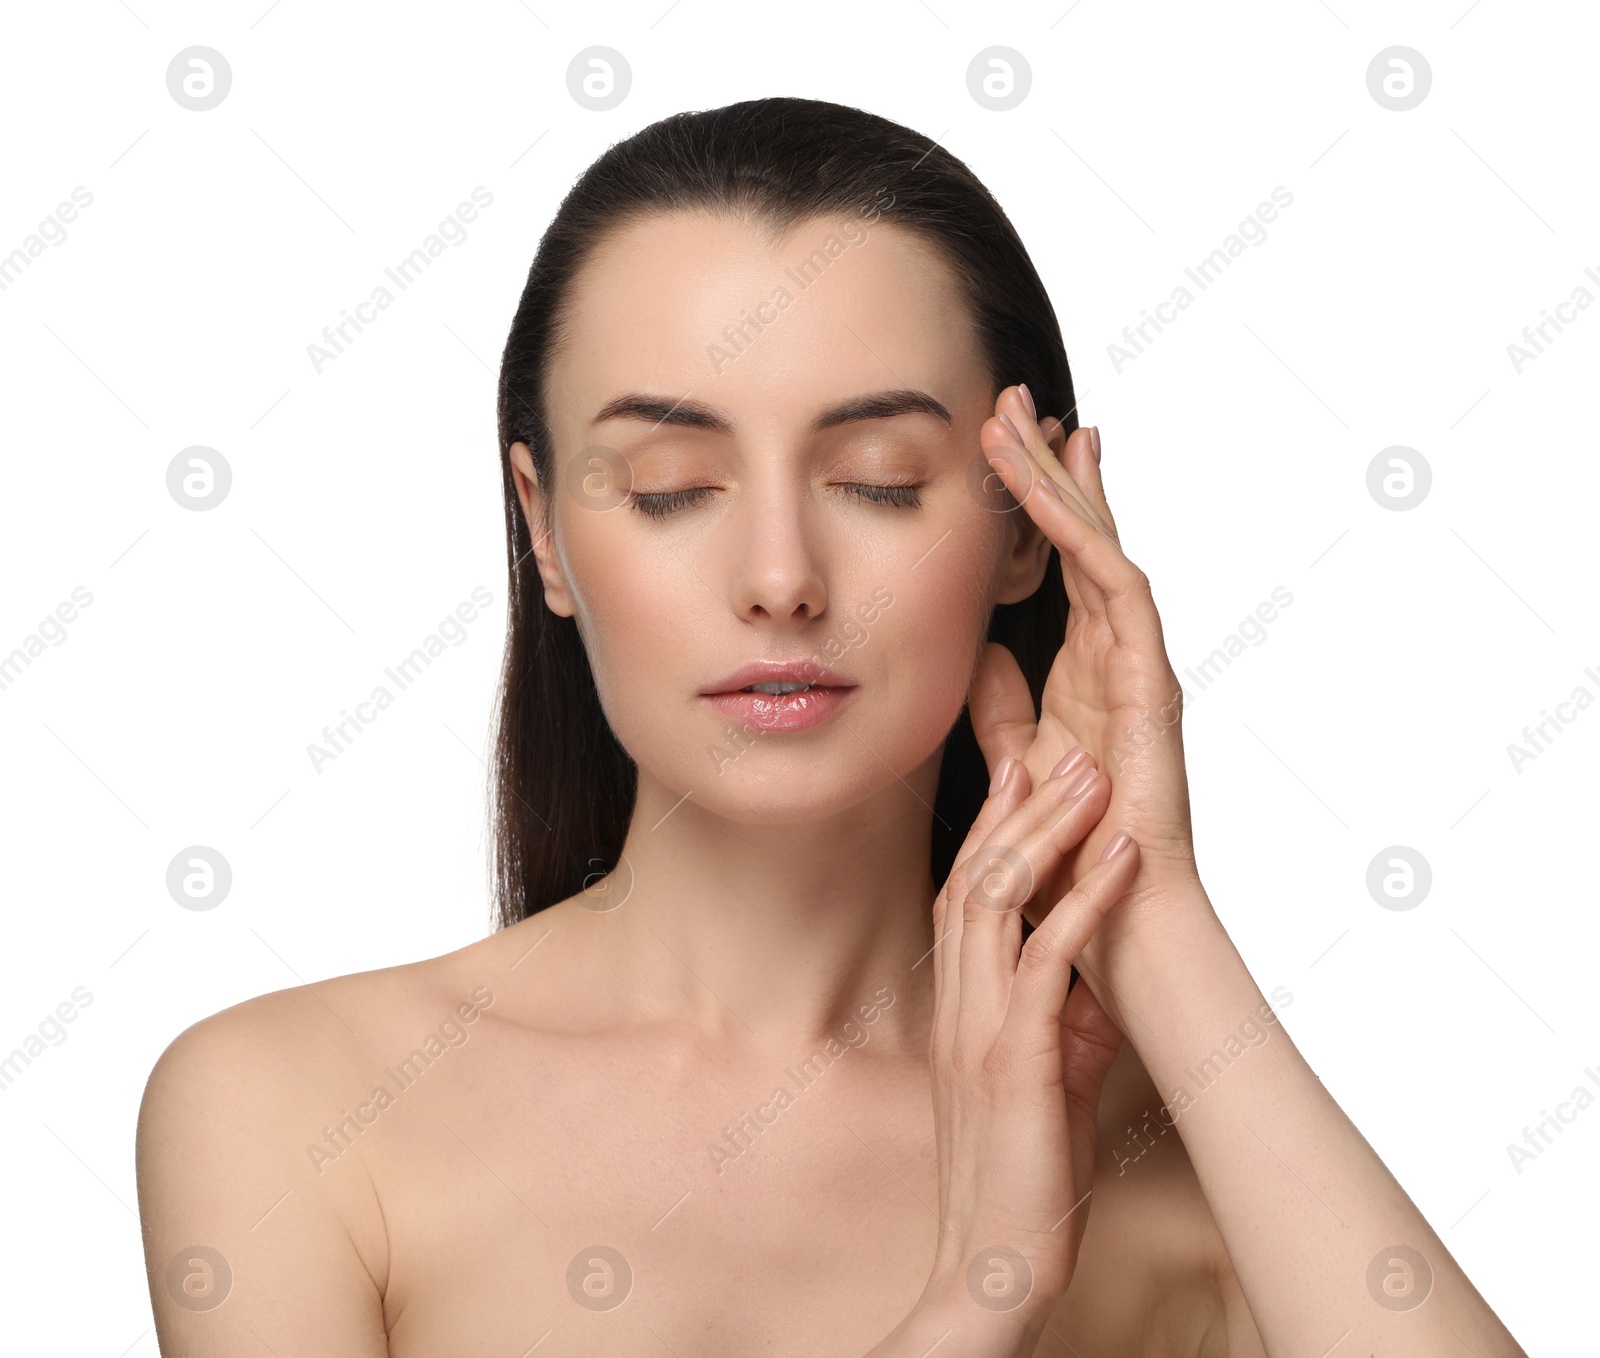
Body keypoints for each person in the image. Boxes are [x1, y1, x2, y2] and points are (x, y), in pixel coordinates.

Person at [137, 97, 1528, 1356]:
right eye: (675, 485)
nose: (782, 577)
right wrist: (986, 1290)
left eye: (875, 478)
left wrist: (1148, 906)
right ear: (545, 530)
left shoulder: (1186, 1162)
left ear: (1027, 527)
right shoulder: (291, 1112)